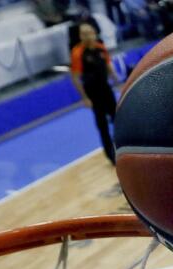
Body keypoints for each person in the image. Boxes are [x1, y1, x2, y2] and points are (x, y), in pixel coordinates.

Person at [69, 21, 118, 164]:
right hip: (93, 93)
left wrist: (118, 82)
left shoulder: (101, 48)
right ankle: (110, 155)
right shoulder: (78, 53)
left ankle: (122, 146)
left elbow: (109, 66)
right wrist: (84, 97)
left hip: (106, 89)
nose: (87, 36)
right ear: (80, 36)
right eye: (83, 34)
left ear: (94, 33)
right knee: (102, 125)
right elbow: (76, 78)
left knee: (117, 119)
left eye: (89, 32)